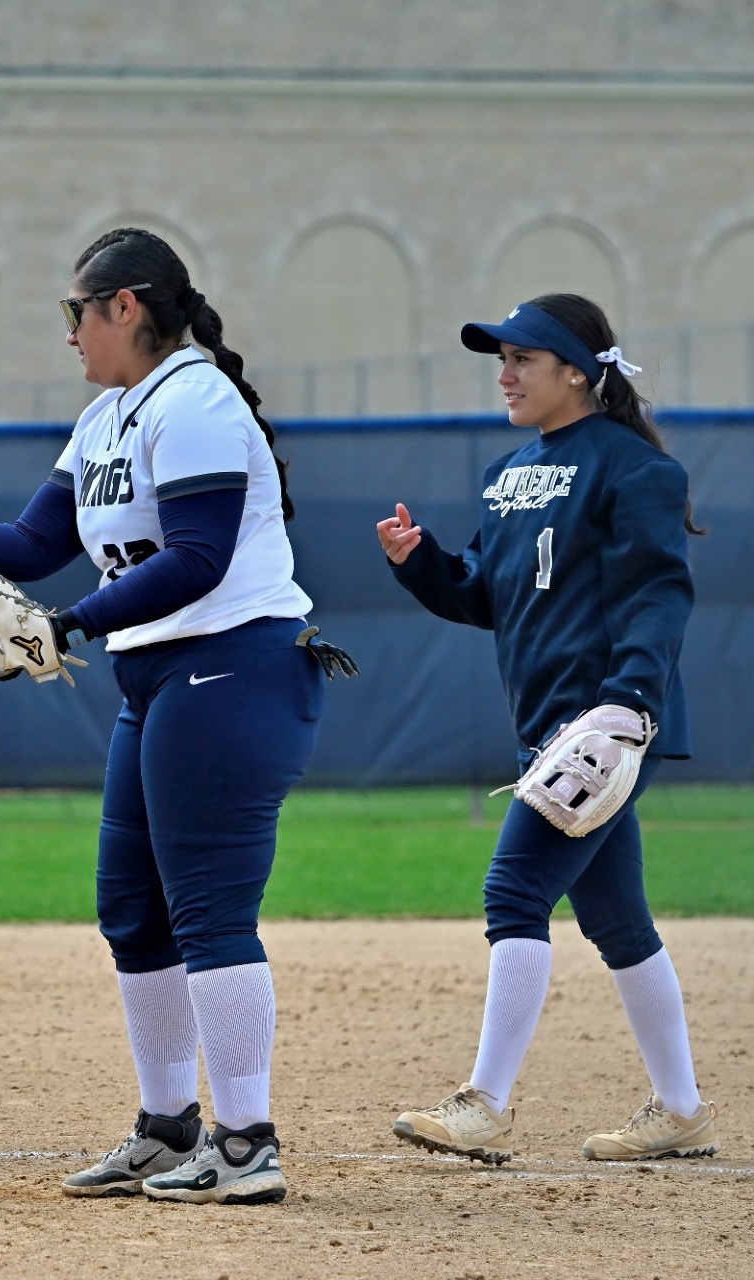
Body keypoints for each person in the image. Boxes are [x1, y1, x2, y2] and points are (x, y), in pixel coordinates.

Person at [0, 227, 339, 1206]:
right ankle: (169, 1125)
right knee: (131, 909)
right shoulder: (106, 416)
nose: (70, 335)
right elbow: (33, 539)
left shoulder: (198, 401)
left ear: (124, 306)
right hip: (157, 679)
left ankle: (249, 1139)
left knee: (209, 911)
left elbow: (200, 556)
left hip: (233, 664)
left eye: (75, 314)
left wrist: (69, 622)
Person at [381, 293, 716, 1164]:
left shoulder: (634, 469)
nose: (504, 373)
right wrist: (422, 567)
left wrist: (629, 705)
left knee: (513, 894)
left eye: (521, 358)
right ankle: (681, 1110)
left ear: (577, 370)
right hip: (548, 730)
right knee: (619, 923)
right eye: (501, 358)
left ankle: (486, 1101)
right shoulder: (507, 474)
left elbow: (658, 594)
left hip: (605, 724)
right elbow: (484, 596)